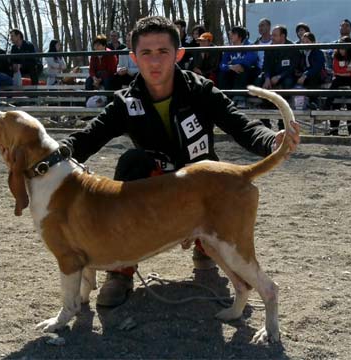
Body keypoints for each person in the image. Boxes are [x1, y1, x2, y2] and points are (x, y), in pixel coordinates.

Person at [61, 16, 300, 307]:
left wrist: (270, 141)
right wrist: (55, 152)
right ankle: (120, 271)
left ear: (179, 53)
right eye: (146, 53)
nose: (155, 62)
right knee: (130, 163)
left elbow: (240, 124)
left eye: (163, 51)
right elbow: (89, 136)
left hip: (198, 188)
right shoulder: (125, 102)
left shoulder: (201, 90)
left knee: (213, 175)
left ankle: (205, 245)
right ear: (134, 57)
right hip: (156, 187)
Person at [255, 24, 300, 129]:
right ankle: (265, 120)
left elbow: (292, 67)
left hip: (286, 76)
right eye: (272, 35)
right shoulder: (270, 48)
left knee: (288, 83)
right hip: (271, 76)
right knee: (259, 83)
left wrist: (279, 76)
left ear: (282, 36)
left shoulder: (292, 48)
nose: (272, 37)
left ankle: (282, 122)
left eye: (275, 35)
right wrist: (267, 78)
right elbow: (266, 65)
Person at [324, 36, 351, 136]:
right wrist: (347, 71)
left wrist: (345, 73)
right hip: (339, 79)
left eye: (344, 48)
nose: (341, 50)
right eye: (340, 48)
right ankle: (333, 127)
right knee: (335, 92)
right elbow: (336, 69)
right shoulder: (336, 56)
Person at [218, 26, 259, 102]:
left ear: (239, 36)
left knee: (241, 68)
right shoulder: (229, 48)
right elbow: (222, 65)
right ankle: (224, 98)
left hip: (249, 73)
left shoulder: (250, 46)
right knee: (223, 72)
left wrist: (234, 63)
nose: (230, 36)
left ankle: (240, 98)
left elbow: (249, 61)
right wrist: (230, 67)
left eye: (233, 34)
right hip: (233, 71)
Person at [295, 32, 325, 109]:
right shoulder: (301, 54)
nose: (305, 44)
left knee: (313, 78)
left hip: (316, 75)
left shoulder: (318, 53)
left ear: (313, 42)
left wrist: (305, 75)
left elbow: (317, 67)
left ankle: (314, 102)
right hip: (304, 75)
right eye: (303, 42)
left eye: (307, 42)